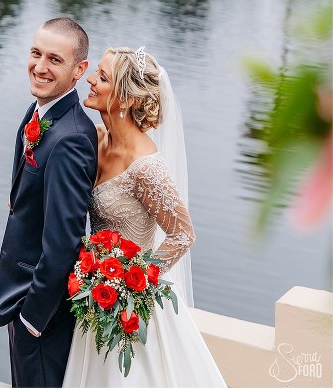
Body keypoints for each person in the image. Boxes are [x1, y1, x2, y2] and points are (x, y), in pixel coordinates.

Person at [61, 47, 226, 387]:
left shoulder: (146, 166)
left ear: (123, 98)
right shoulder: (96, 138)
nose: (91, 80)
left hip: (128, 304)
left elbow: (183, 235)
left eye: (103, 77)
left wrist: (128, 281)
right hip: (95, 296)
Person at [0, 17, 99, 388]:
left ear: (78, 70)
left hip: (41, 315)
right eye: (36, 53)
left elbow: (63, 244)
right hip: (19, 297)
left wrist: (31, 319)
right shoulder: (39, 114)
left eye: (54, 59)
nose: (39, 66)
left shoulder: (71, 138)